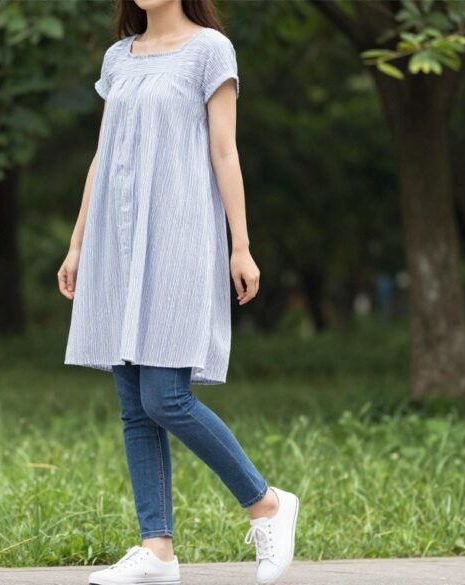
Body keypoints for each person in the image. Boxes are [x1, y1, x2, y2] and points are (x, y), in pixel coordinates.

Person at [58, 1, 299, 584]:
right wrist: (77, 243)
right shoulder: (119, 58)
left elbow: (224, 150)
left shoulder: (210, 51)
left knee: (166, 397)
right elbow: (103, 155)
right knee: (133, 403)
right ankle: (157, 550)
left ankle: (266, 502)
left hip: (180, 238)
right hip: (117, 240)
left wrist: (240, 245)